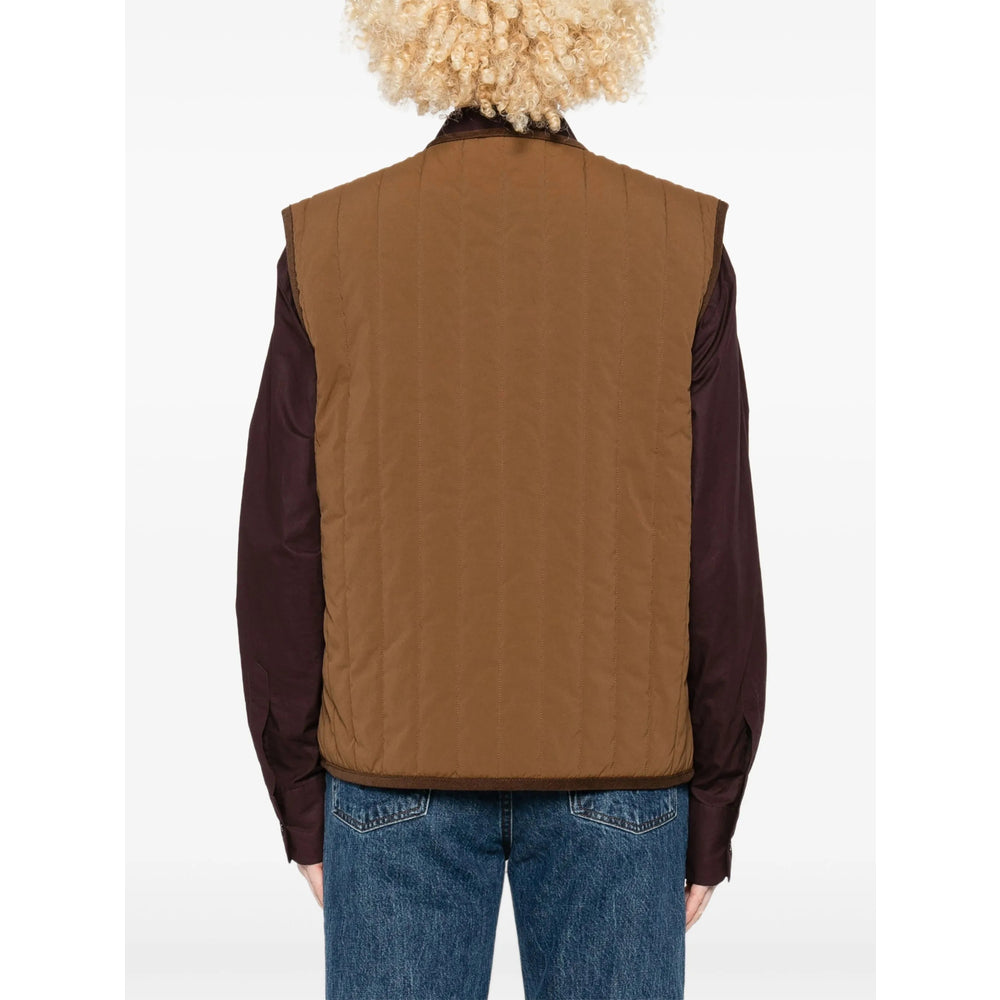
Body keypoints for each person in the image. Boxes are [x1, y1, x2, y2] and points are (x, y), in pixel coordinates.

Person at [236, 3, 766, 997]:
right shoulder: (678, 239)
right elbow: (717, 546)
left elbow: (281, 542)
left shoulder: (331, 241)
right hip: (623, 785)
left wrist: (300, 794)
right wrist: (713, 807)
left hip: (389, 781)